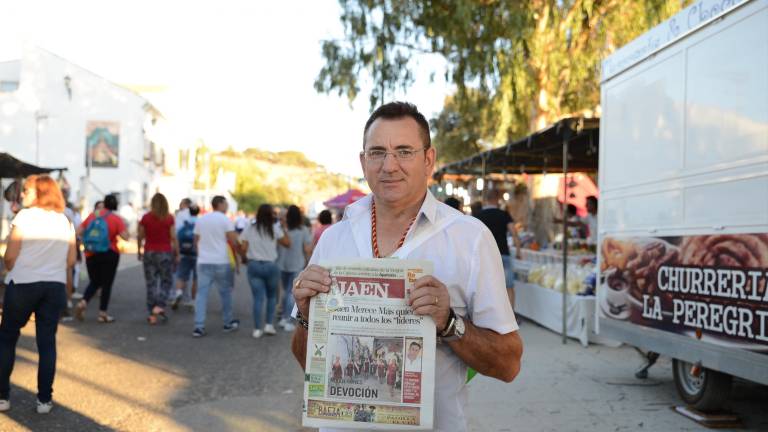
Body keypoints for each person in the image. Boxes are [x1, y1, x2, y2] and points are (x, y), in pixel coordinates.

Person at [290, 101, 522, 431]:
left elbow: (509, 364)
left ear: (428, 159)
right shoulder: (333, 239)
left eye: (404, 151)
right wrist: (305, 316)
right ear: (363, 160)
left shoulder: (469, 239)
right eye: (377, 152)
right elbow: (307, 362)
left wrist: (449, 323)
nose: (390, 165)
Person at [0, 175, 76, 414]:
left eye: (27, 190)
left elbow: (10, 256)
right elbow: (72, 260)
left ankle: (2, 397)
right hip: (53, 286)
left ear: (41, 192)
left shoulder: (25, 216)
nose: (23, 194)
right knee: (47, 343)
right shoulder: (65, 221)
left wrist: (9, 267)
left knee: (7, 338)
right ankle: (44, 400)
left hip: (23, 283)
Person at [192, 196, 241, 337]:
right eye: (226, 203)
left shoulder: (201, 219)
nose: (227, 206)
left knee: (201, 295)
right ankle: (227, 322)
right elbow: (234, 240)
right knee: (225, 293)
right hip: (221, 261)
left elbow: (196, 240)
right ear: (220, 204)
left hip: (203, 261)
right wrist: (240, 255)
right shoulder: (225, 220)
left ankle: (198, 326)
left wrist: (201, 252)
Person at [239, 204, 290, 338]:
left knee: (257, 298)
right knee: (272, 297)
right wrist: (282, 226)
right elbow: (287, 243)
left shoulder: (250, 228)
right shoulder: (274, 228)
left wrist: (244, 258)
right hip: (271, 265)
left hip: (254, 265)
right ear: (271, 215)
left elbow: (243, 247)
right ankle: (269, 325)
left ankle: (257, 329)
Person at [75, 194, 128, 323]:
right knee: (106, 284)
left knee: (95, 281)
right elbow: (125, 237)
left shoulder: (93, 216)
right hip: (109, 253)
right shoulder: (116, 218)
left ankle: (83, 302)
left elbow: (78, 231)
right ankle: (102, 313)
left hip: (91, 253)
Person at [137, 193, 178, 325]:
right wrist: (177, 253)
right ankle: (159, 306)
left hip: (149, 252)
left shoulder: (146, 218)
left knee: (151, 283)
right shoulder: (169, 218)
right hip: (165, 253)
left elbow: (140, 236)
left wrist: (139, 250)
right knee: (167, 281)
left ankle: (152, 314)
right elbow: (173, 237)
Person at [477, 189, 522, 307]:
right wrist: (518, 251)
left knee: (485, 287)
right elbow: (514, 233)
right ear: (497, 199)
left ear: (486, 199)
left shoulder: (478, 215)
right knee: (509, 286)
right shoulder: (504, 214)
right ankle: (511, 317)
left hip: (484, 256)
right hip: (503, 253)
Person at [277, 205, 312, 332]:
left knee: (286, 290)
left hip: (282, 264)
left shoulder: (282, 229)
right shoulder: (303, 230)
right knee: (291, 292)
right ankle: (287, 319)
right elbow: (307, 249)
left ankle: (282, 316)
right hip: (297, 263)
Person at [173, 204, 200, 310]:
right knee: (196, 278)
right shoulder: (200, 223)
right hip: (197, 254)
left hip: (184, 253)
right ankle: (193, 301)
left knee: (181, 276)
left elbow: (177, 238)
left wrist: (177, 254)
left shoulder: (184, 223)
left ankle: (178, 292)